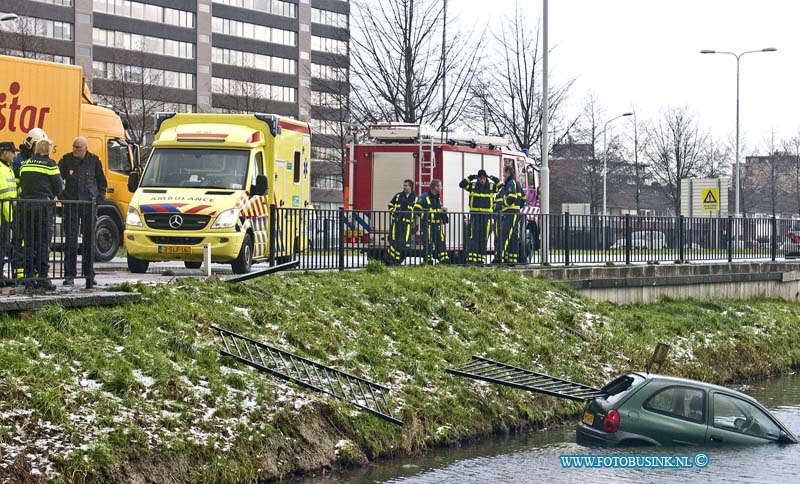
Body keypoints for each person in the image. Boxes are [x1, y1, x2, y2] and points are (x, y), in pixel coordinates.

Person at [58, 136, 106, 286]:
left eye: (77, 147)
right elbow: (57, 179)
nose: (74, 150)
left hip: (89, 204)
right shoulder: (66, 160)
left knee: (89, 241)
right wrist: (62, 197)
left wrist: (99, 198)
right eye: (73, 146)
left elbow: (101, 181)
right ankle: (69, 275)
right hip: (72, 204)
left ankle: (89, 275)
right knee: (71, 240)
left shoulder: (94, 161)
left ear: (85, 148)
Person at [19, 139, 63, 290]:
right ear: (48, 150)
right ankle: (43, 278)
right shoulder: (50, 165)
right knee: (43, 243)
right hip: (44, 207)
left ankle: (28, 278)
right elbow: (59, 186)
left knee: (29, 243)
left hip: (26, 206)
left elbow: (22, 183)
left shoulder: (25, 164)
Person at [459, 169, 501, 265]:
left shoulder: (491, 186)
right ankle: (473, 259)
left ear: (486, 178)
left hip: (487, 216)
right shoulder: (473, 186)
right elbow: (462, 184)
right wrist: (470, 177)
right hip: (475, 215)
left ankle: (481, 259)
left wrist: (494, 178)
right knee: (474, 237)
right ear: (478, 178)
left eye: (484, 178)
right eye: (480, 178)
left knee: (484, 238)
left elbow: (501, 186)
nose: (482, 180)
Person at [495, 165, 524, 264]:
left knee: (505, 235)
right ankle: (512, 259)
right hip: (515, 212)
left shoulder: (511, 183)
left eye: (504, 172)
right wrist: (518, 207)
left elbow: (512, 197)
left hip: (510, 213)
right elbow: (523, 199)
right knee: (513, 237)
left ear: (508, 172)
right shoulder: (517, 183)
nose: (503, 174)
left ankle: (500, 258)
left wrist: (504, 204)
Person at [415, 179, 449, 264]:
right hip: (427, 225)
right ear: (435, 187)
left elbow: (439, 210)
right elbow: (416, 209)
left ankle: (444, 261)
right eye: (440, 186)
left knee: (441, 242)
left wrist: (444, 216)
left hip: (436, 225)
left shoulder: (438, 198)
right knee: (428, 243)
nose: (441, 187)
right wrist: (426, 216)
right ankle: (428, 261)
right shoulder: (423, 197)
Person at [387, 179, 418, 265]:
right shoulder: (398, 196)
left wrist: (411, 216)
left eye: (406, 185)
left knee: (402, 242)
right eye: (404, 185)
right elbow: (390, 205)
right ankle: (391, 260)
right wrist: (394, 212)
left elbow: (417, 210)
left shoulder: (415, 197)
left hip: (407, 224)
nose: (404, 187)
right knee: (393, 241)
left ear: (410, 187)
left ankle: (397, 260)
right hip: (396, 222)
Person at [0, 142, 18, 285]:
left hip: (5, 214)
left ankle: (1, 274)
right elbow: (4, 196)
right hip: (3, 215)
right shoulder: (1, 169)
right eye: (12, 152)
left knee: (3, 245)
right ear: (5, 152)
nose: (14, 155)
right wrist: (10, 217)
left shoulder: (7, 168)